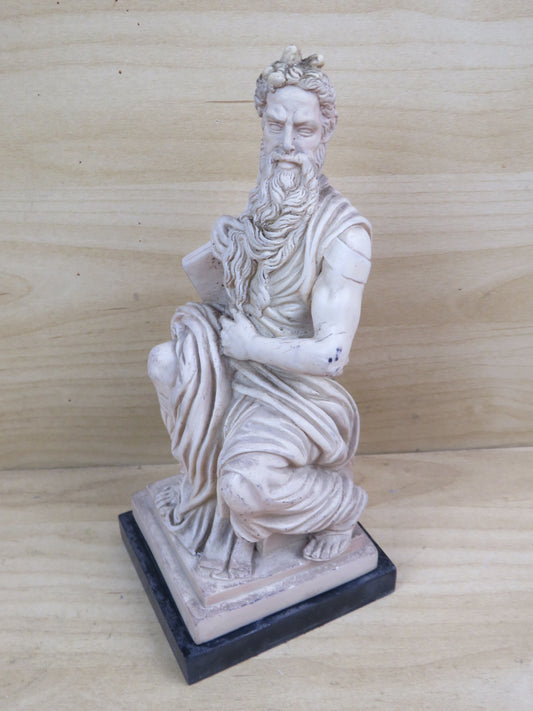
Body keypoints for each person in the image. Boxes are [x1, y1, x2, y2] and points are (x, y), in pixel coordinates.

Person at [148, 46, 372, 578]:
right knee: (165, 362)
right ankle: (202, 496)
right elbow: (252, 283)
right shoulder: (270, 195)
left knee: (245, 485)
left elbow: (333, 354)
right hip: (240, 353)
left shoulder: (345, 236)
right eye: (275, 126)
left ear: (325, 133)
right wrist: (230, 241)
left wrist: (252, 347)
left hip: (297, 391)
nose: (287, 144)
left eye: (304, 130)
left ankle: (340, 504)